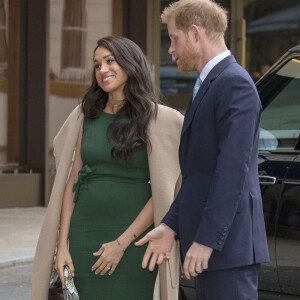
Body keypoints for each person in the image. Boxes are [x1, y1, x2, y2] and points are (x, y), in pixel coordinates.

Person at [31, 36, 183, 300]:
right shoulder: (85, 115)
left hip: (135, 240)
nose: (102, 70)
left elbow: (163, 192)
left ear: (130, 64)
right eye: (97, 64)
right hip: (84, 233)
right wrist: (62, 245)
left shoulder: (158, 118)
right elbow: (72, 181)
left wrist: (121, 244)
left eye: (110, 61)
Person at [136, 1, 270, 299]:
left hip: (227, 252)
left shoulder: (234, 84)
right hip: (212, 250)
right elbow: (199, 175)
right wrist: (170, 225)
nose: (171, 49)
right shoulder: (212, 83)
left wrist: (207, 240)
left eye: (174, 38)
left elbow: (232, 172)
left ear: (195, 33)